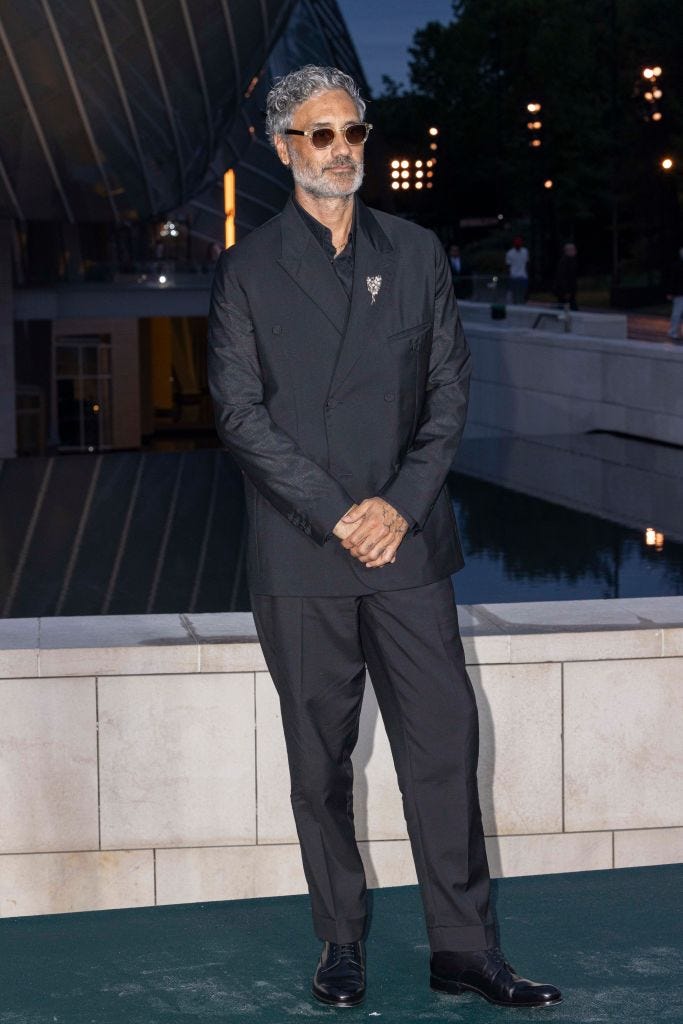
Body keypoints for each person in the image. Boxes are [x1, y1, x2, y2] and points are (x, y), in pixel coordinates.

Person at [208, 64, 561, 1011]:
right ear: (286, 149)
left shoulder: (414, 252)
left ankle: (463, 948)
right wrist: (337, 512)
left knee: (443, 746)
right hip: (302, 553)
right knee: (319, 765)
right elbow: (240, 418)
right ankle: (339, 942)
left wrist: (396, 506)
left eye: (354, 132)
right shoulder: (244, 271)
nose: (343, 150)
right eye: (321, 136)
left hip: (407, 548)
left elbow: (448, 395)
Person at [505, 236, 529, 304]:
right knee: (517, 293)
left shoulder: (524, 251)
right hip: (518, 276)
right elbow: (527, 264)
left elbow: (508, 266)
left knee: (517, 293)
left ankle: (519, 303)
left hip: (518, 276)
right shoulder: (524, 251)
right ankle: (519, 303)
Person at [554, 242, 578, 310]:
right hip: (565, 292)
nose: (575, 251)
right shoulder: (564, 262)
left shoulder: (571, 261)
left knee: (565, 307)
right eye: (573, 249)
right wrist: (566, 291)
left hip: (568, 291)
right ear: (568, 251)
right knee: (568, 307)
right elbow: (562, 277)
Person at [666, 247, 683, 342]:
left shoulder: (676, 266)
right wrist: (671, 292)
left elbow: (672, 280)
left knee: (677, 314)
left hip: (679, 294)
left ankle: (673, 332)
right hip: (679, 294)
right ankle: (673, 332)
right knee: (677, 314)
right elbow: (673, 280)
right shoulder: (677, 266)